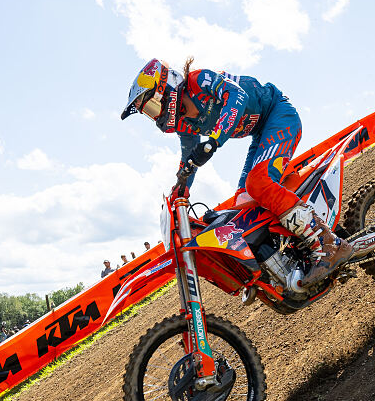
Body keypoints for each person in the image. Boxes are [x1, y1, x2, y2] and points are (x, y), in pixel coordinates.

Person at [121, 58, 352, 285]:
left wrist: (213, 140)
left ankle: (327, 242)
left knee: (259, 183)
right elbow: (189, 158)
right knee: (244, 200)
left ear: (166, 89)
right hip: (260, 133)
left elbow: (237, 97)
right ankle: (293, 253)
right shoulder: (183, 123)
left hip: (278, 113)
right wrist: (179, 190)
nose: (154, 116)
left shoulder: (199, 80)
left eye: (151, 106)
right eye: (148, 113)